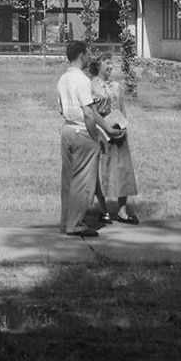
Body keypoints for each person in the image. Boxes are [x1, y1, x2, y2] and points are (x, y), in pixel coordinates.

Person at [56, 39, 103, 237]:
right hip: (82, 132)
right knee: (84, 180)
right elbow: (89, 113)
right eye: (87, 54)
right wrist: (96, 136)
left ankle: (66, 219)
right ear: (82, 55)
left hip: (67, 130)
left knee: (68, 179)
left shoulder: (62, 79)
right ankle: (76, 223)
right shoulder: (83, 80)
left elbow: (60, 109)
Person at [87, 56, 139, 223]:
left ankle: (122, 211)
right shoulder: (92, 85)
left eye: (111, 63)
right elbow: (93, 112)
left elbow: (121, 108)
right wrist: (106, 129)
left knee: (123, 169)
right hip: (102, 132)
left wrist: (123, 127)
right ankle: (104, 210)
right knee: (102, 170)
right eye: (107, 62)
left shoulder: (116, 86)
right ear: (98, 65)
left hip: (118, 132)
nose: (110, 66)